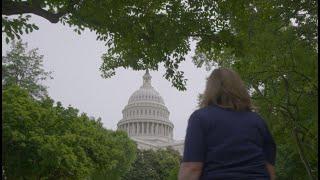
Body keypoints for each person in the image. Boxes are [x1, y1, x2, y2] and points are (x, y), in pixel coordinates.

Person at [178, 68, 276, 180]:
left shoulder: (200, 118)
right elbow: (270, 171)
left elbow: (192, 168)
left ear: (210, 90)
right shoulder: (258, 121)